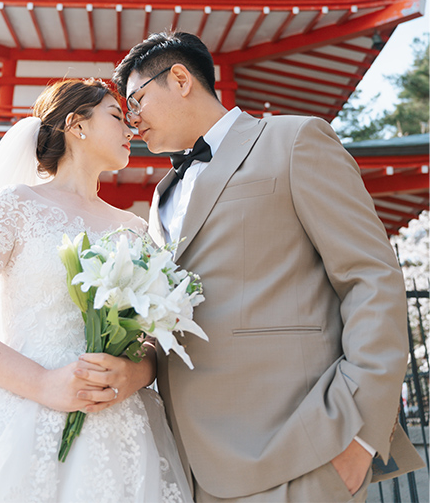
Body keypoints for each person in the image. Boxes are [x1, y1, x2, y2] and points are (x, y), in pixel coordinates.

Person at [113, 31, 422, 502]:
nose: (131, 122)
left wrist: (359, 434)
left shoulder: (294, 140)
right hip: (191, 465)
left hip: (301, 450)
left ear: (179, 79)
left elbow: (370, 279)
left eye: (136, 100)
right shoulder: (161, 196)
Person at [0, 78, 190, 502]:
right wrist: (45, 383)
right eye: (117, 116)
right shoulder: (16, 205)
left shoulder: (135, 229)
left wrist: (133, 374)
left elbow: (153, 340)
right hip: (20, 411)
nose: (131, 129)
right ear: (76, 125)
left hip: (119, 421)